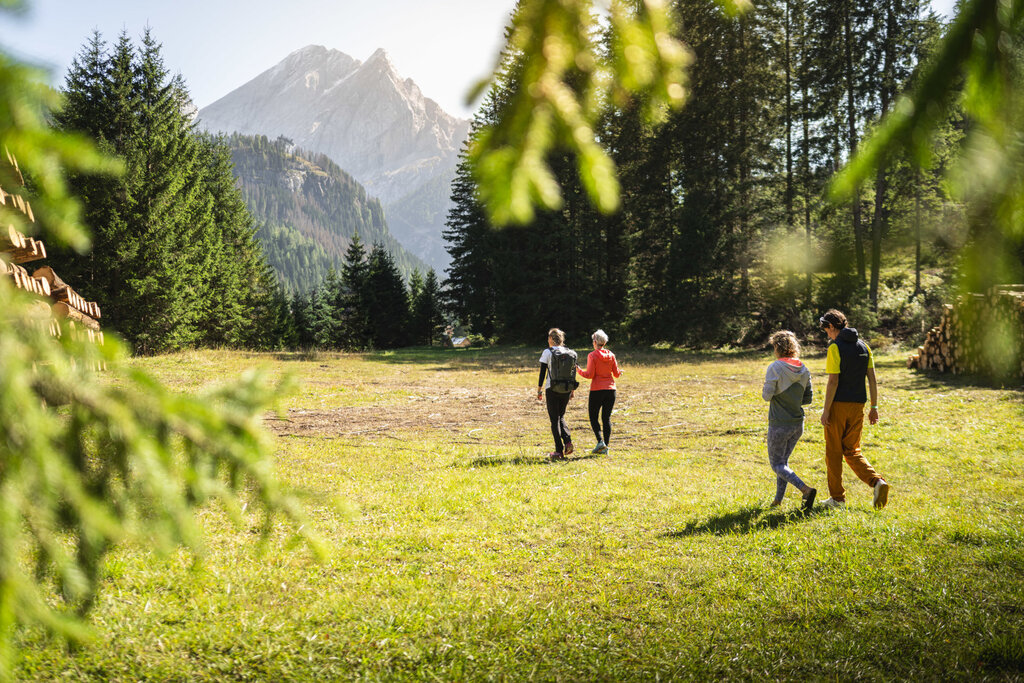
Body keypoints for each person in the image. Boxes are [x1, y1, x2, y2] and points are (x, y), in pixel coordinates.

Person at [819, 309, 890, 509]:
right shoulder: (864, 347)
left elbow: (833, 382)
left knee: (834, 452)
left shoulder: (835, 347)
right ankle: (878, 482)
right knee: (851, 450)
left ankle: (837, 499)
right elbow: (872, 379)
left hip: (838, 406)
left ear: (832, 326)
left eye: (826, 330)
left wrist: (826, 411)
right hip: (859, 405)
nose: (827, 334)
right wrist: (874, 407)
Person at [762, 330, 817, 512]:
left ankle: (805, 490)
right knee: (783, 463)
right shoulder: (804, 368)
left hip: (779, 423)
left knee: (777, 465)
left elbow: (766, 395)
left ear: (777, 347)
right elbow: (807, 399)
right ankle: (778, 501)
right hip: (797, 423)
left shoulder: (775, 367)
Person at [576, 329, 622, 454]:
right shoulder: (611, 355)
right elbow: (616, 374)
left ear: (595, 342)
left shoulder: (592, 355)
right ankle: (605, 446)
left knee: (593, 417)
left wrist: (578, 370)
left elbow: (590, 375)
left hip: (597, 390)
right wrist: (620, 372)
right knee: (606, 418)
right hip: (611, 390)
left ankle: (600, 441)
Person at [537, 328, 575, 460]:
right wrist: (572, 390)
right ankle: (568, 441)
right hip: (566, 388)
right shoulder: (570, 352)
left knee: (554, 419)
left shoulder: (548, 352)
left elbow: (543, 372)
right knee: (561, 416)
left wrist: (539, 389)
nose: (548, 341)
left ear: (552, 339)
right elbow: (572, 371)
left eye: (548, 338)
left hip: (552, 388)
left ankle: (558, 451)